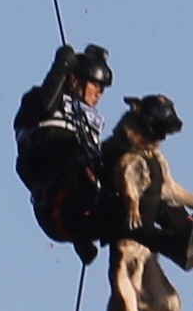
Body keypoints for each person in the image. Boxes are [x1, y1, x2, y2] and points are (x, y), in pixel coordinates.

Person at [13, 45, 127, 256]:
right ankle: (83, 233)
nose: (99, 95)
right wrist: (62, 65)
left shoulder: (87, 126)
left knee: (126, 169)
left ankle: (185, 240)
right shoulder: (37, 100)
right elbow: (45, 106)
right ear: (75, 81)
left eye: (103, 89)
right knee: (78, 157)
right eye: (96, 86)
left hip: (88, 202)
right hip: (55, 195)